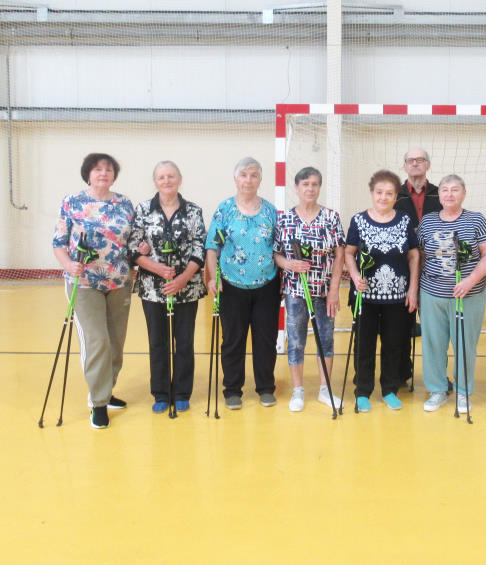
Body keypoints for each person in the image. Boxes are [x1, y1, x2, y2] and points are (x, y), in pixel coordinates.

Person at [52, 153, 134, 429]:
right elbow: (58, 242)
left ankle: (107, 390)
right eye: (98, 169)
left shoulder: (124, 203)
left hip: (119, 281)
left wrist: (142, 248)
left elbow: (133, 240)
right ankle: (98, 402)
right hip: (85, 283)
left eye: (108, 170)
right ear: (88, 174)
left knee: (116, 342)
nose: (103, 173)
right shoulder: (72, 202)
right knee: (97, 340)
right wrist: (68, 264)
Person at [129, 161, 207, 414]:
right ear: (155, 182)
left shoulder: (193, 211)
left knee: (184, 342)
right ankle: (161, 393)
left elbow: (200, 247)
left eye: (171, 176)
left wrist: (183, 278)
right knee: (157, 342)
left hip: (187, 287)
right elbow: (133, 248)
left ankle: (182, 392)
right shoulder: (143, 210)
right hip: (153, 289)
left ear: (179, 179)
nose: (166, 181)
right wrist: (157, 268)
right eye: (161, 177)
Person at [204, 157, 281, 410]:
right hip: (232, 285)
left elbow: (278, 249)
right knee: (233, 339)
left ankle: (266, 388)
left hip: (267, 285)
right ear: (236, 179)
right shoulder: (225, 209)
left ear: (260, 179)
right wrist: (213, 277)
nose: (249, 180)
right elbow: (212, 247)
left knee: (265, 339)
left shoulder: (270, 211)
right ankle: (232, 389)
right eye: (244, 175)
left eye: (254, 175)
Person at [417, 174, 486, 413]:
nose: (449, 194)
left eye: (455, 190)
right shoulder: (428, 221)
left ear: (464, 193)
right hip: (432, 294)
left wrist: (470, 281)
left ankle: (463, 391)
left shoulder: (476, 220)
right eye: (445, 190)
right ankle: (438, 389)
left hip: (468, 296)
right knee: (433, 344)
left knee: (465, 344)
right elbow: (419, 255)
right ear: (439, 195)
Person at [344, 170, 419, 412]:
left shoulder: (405, 220)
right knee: (363, 345)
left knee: (394, 344)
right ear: (371, 193)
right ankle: (362, 391)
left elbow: (414, 256)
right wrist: (355, 276)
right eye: (379, 192)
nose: (383, 197)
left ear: (396, 196)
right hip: (365, 296)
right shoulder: (358, 220)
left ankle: (389, 389)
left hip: (397, 296)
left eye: (389, 193)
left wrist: (413, 289)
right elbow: (348, 253)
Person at [273, 167, 345, 412]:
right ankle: (298, 391)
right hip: (295, 291)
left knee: (326, 339)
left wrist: (334, 290)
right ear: (297, 188)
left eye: (314, 184)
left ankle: (325, 390)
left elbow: (339, 254)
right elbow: (276, 254)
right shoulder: (285, 219)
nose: (310, 189)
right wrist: (288, 264)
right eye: (305, 184)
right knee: (296, 341)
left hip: (324, 291)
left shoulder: (331, 217)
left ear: (319, 187)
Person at [394, 147, 443, 384]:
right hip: (402, 268)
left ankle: (438, 378)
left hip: (434, 269)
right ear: (405, 166)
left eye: (420, 160)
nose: (415, 163)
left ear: (428, 164)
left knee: (435, 330)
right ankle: (402, 373)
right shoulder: (395, 195)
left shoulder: (440, 193)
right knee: (402, 326)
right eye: (410, 160)